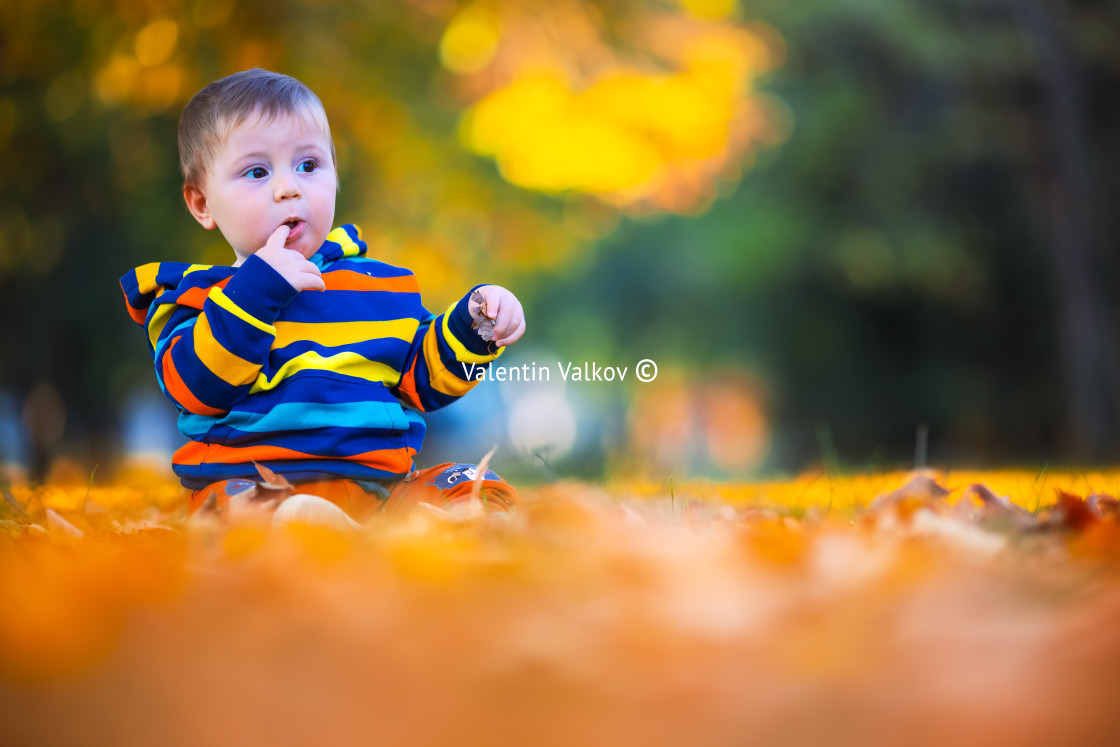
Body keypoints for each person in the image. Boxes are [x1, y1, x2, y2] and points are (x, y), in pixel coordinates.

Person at [120, 68, 525, 525]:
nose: (289, 187)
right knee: (232, 513)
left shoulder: (377, 286)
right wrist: (257, 291)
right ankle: (308, 532)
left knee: (471, 482)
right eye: (256, 171)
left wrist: (476, 327)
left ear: (334, 176)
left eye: (308, 165)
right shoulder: (193, 297)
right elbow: (196, 387)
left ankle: (451, 529)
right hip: (254, 483)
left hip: (378, 489)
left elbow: (425, 379)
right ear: (202, 204)